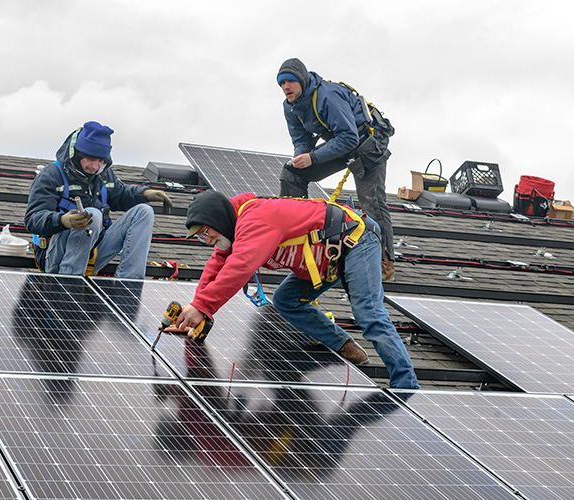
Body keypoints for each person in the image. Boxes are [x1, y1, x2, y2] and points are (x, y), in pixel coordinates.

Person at [170, 190, 419, 389]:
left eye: (206, 232)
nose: (207, 239)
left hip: (355, 241)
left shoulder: (255, 219)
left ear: (217, 219)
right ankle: (343, 345)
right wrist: (195, 309)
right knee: (286, 300)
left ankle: (406, 386)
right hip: (328, 259)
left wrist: (204, 306)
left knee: (368, 313)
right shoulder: (231, 228)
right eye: (201, 237)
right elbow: (217, 264)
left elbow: (240, 266)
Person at [276, 58, 397, 281]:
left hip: (367, 142)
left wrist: (313, 158)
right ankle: (297, 240)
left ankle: (384, 262)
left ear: (302, 81)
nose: (286, 87)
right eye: (281, 83)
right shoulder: (290, 106)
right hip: (340, 143)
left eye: (291, 81)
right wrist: (300, 159)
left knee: (371, 201)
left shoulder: (326, 95)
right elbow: (301, 139)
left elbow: (350, 137)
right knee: (292, 173)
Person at [25, 121, 171, 278]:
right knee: (93, 214)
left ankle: (130, 283)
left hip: (92, 253)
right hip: (55, 257)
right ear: (78, 153)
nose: (95, 166)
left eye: (101, 161)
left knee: (144, 212)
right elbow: (33, 219)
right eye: (91, 159)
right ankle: (69, 282)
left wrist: (144, 194)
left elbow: (120, 193)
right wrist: (63, 220)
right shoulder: (52, 175)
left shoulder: (102, 174)